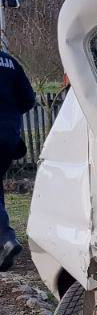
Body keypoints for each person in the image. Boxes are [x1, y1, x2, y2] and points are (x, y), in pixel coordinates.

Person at [0, 47, 35, 270]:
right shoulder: (9, 61)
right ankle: (3, 250)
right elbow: (29, 99)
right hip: (8, 137)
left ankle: (6, 238)